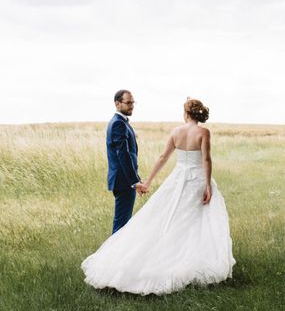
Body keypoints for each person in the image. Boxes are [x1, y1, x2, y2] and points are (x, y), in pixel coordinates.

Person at [82, 98, 235, 295]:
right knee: (197, 220)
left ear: (186, 114)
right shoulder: (204, 132)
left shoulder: (175, 132)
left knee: (169, 217)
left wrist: (148, 181)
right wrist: (208, 185)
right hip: (196, 179)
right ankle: (189, 257)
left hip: (178, 178)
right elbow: (205, 159)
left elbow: (163, 157)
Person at [107, 89, 147, 234]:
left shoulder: (121, 122)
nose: (132, 106)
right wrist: (134, 182)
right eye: (128, 102)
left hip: (125, 180)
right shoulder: (118, 124)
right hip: (123, 182)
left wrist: (136, 179)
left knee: (123, 225)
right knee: (121, 228)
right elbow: (123, 155)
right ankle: (111, 256)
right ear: (117, 103)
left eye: (133, 102)